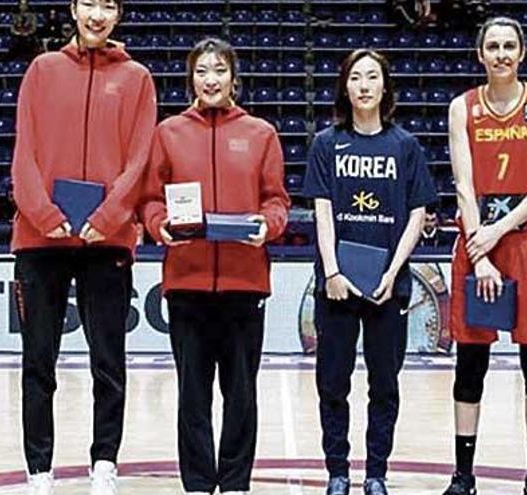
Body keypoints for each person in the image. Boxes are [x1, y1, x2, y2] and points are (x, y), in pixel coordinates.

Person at [11, 0, 157, 493]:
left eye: (109, 5)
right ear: (73, 9)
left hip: (107, 239)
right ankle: (39, 469)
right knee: (38, 360)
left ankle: (104, 463)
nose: (98, 14)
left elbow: (140, 158)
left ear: (119, 14)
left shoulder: (137, 78)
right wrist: (45, 215)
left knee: (108, 360)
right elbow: (23, 151)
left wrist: (108, 216)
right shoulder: (42, 70)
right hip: (40, 238)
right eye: (89, 2)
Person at [139, 38, 290, 495]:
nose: (211, 79)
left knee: (241, 393)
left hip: (245, 283)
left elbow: (277, 200)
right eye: (202, 71)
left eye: (219, 70)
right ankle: (199, 484)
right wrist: (158, 222)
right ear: (192, 79)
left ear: (233, 78)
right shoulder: (168, 132)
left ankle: (237, 482)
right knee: (193, 395)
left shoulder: (261, 133)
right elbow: (149, 197)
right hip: (187, 282)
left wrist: (270, 224)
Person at [302, 49, 437, 495]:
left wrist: (393, 273)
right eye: (355, 77)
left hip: (387, 286)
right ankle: (337, 472)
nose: (363, 85)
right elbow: (322, 211)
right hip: (337, 287)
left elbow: (417, 214)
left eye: (372, 76)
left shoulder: (405, 146)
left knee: (385, 385)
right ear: (345, 86)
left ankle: (376, 473)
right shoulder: (326, 144)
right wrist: (334, 272)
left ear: (384, 86)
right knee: (332, 384)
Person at [442, 16, 527, 495]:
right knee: (471, 365)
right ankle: (463, 475)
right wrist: (481, 250)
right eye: (492, 46)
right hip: (477, 247)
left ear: (523, 52)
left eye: (509, 45)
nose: (501, 54)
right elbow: (463, 184)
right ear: (480, 54)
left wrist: (497, 231)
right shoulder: (462, 108)